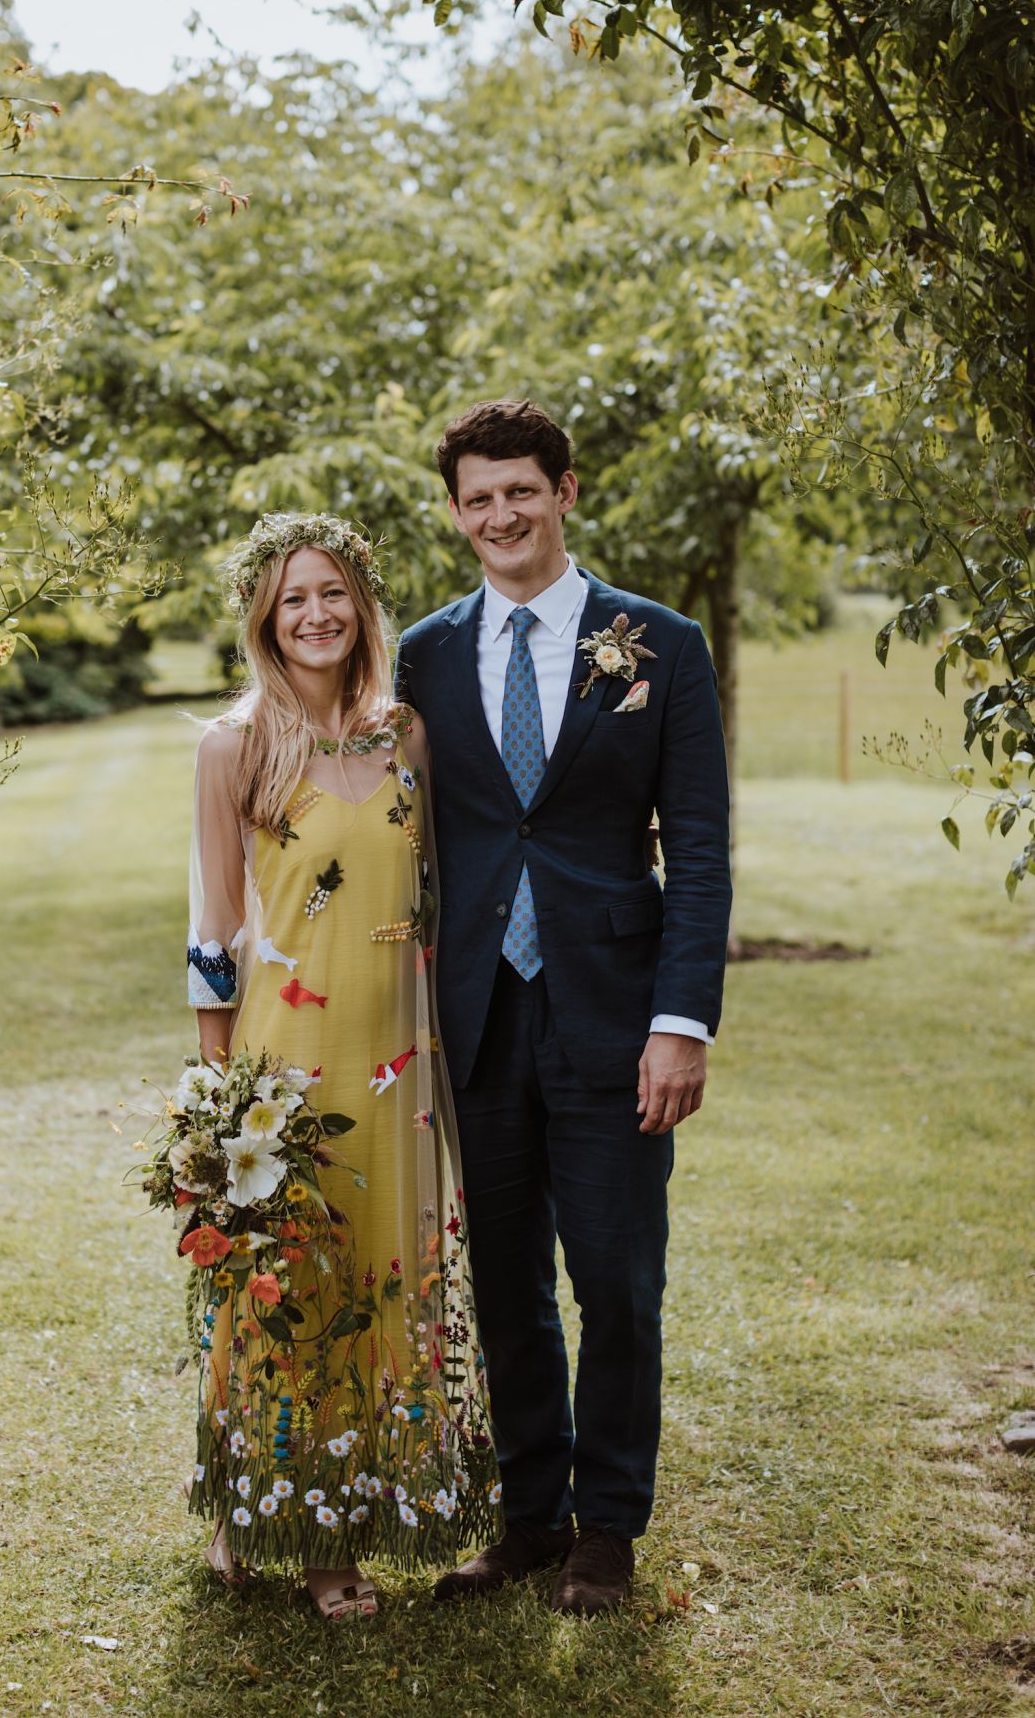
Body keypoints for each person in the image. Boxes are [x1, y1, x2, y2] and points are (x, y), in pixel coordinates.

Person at [396, 400, 732, 1616]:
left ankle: (608, 1528)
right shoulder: (425, 654)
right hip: (477, 1011)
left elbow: (697, 846)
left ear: (566, 492)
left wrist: (681, 1020)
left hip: (613, 1007)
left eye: (520, 492)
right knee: (504, 1280)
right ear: (455, 513)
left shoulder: (659, 644)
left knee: (618, 1278)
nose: (500, 516)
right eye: (477, 498)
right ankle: (527, 1515)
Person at [185, 511, 499, 1620]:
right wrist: (218, 1107)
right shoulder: (235, 744)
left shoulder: (403, 732)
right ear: (265, 619)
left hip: (396, 1062)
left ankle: (349, 1505)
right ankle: (284, 1524)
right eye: (291, 600)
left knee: (377, 1282)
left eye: (332, 594)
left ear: (363, 605)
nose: (314, 615)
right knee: (286, 1281)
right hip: (287, 1063)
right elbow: (211, 934)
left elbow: (431, 903)